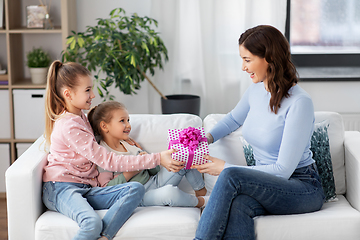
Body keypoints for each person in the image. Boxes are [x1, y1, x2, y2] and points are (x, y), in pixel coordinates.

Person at [192, 25, 325, 240]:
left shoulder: (299, 103)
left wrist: (223, 167)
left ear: (269, 58)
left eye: (247, 60)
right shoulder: (256, 89)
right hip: (269, 183)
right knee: (239, 204)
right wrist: (205, 139)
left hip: (302, 187)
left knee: (231, 175)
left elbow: (282, 170)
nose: (243, 67)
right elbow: (234, 119)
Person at [42, 60, 184, 240]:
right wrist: (157, 158)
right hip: (61, 188)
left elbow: (97, 144)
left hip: (86, 188)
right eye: (87, 90)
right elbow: (108, 161)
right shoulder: (69, 125)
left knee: (135, 189)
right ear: (68, 94)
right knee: (91, 223)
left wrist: (125, 141)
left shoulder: (81, 117)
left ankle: (104, 236)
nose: (93, 94)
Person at [87, 101, 209, 208]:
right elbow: (106, 188)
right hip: (141, 195)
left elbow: (154, 171)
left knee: (183, 156)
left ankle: (201, 191)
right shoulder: (103, 154)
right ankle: (201, 202)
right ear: (104, 126)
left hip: (155, 181)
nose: (128, 125)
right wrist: (130, 172)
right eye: (122, 121)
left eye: (128, 120)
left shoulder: (130, 144)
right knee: (169, 193)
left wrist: (147, 158)